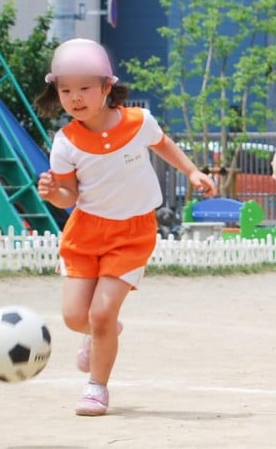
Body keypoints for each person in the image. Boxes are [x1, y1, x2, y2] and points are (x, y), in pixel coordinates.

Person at [35, 38, 215, 416]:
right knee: (74, 317)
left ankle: (96, 387)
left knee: (101, 314)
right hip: (85, 233)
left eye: (85, 88)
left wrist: (192, 170)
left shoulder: (138, 122)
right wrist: (54, 194)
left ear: (107, 87)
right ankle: (103, 334)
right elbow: (70, 196)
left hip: (132, 234)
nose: (75, 97)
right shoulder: (64, 142)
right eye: (65, 90)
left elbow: (163, 144)